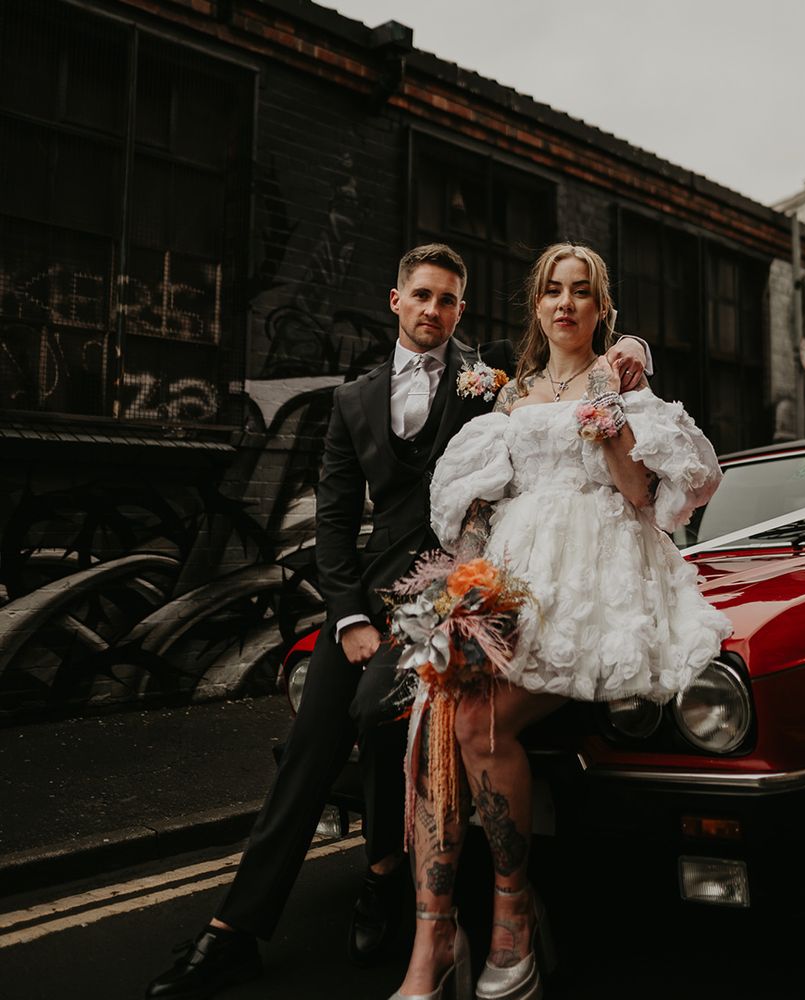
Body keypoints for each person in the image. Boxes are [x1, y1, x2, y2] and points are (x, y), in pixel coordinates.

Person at [146, 243, 651, 1000]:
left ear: (461, 310)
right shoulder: (353, 401)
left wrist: (632, 344)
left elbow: (571, 371)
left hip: (453, 589)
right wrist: (348, 615)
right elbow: (339, 520)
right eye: (422, 296)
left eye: (448, 301)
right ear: (395, 300)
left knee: (382, 708)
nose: (433, 311)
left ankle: (387, 878)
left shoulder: (492, 387)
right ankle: (233, 932)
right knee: (311, 746)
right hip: (369, 595)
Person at [390, 242, 732, 1000]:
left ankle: (511, 918)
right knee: (436, 714)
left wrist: (611, 421)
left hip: (595, 579)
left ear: (601, 308)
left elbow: (647, 500)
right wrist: (463, 589)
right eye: (553, 290)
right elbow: (480, 509)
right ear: (537, 304)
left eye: (582, 292)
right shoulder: (510, 398)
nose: (566, 303)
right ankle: (433, 938)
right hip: (511, 579)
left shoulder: (625, 386)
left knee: (480, 723)